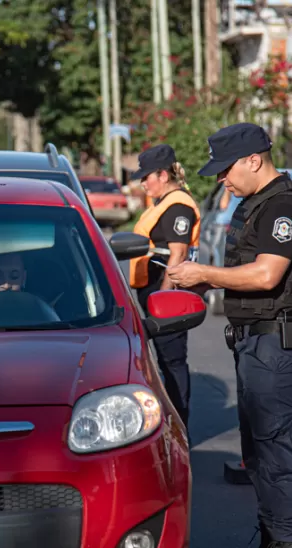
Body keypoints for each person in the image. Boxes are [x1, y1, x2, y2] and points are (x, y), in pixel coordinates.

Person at [166, 123, 292, 548]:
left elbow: (266, 274)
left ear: (254, 159)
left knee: (279, 454)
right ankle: (273, 547)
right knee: (258, 456)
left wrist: (205, 274)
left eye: (225, 170)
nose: (221, 181)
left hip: (277, 344)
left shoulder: (284, 206)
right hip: (255, 343)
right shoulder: (256, 202)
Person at [128, 143, 201, 431]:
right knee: (163, 361)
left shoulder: (178, 205)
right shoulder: (163, 203)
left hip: (165, 293)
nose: (143, 182)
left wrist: (164, 297)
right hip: (156, 291)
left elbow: (178, 253)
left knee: (172, 362)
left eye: (147, 176)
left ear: (163, 174)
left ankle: (179, 427)